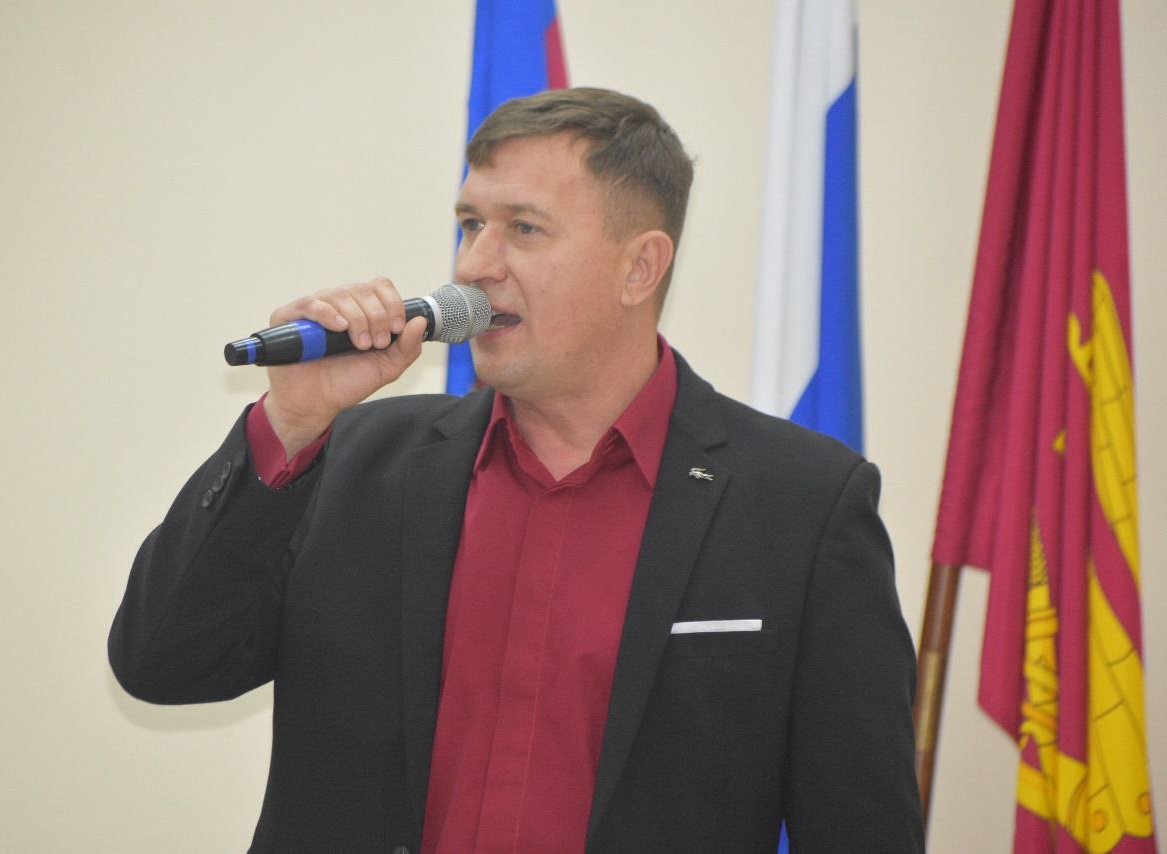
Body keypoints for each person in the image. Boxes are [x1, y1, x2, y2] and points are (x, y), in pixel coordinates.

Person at [110, 87, 924, 853]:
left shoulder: (802, 504)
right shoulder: (354, 461)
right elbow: (162, 663)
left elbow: (860, 829)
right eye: (470, 224)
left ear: (640, 268)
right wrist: (290, 422)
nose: (472, 265)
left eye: (524, 229)